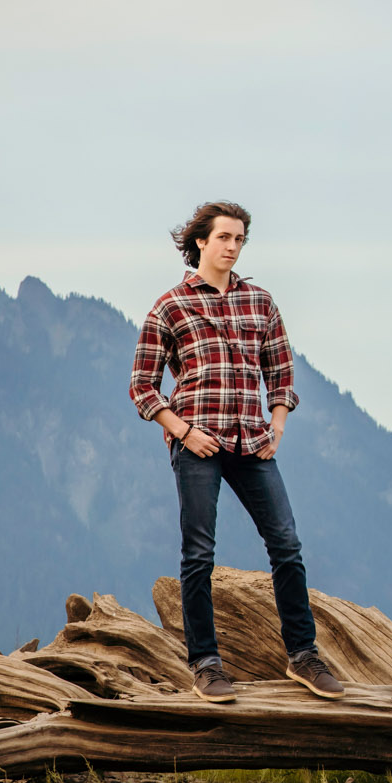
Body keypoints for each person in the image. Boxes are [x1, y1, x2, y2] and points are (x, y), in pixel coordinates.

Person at [129, 200, 344, 703]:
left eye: (240, 239)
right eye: (224, 237)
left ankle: (304, 656)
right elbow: (142, 386)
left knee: (286, 545)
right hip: (198, 443)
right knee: (199, 554)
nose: (232, 246)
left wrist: (279, 425)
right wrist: (183, 432)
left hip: (254, 442)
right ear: (200, 241)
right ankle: (206, 664)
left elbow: (281, 372)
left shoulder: (261, 302)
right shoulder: (170, 306)